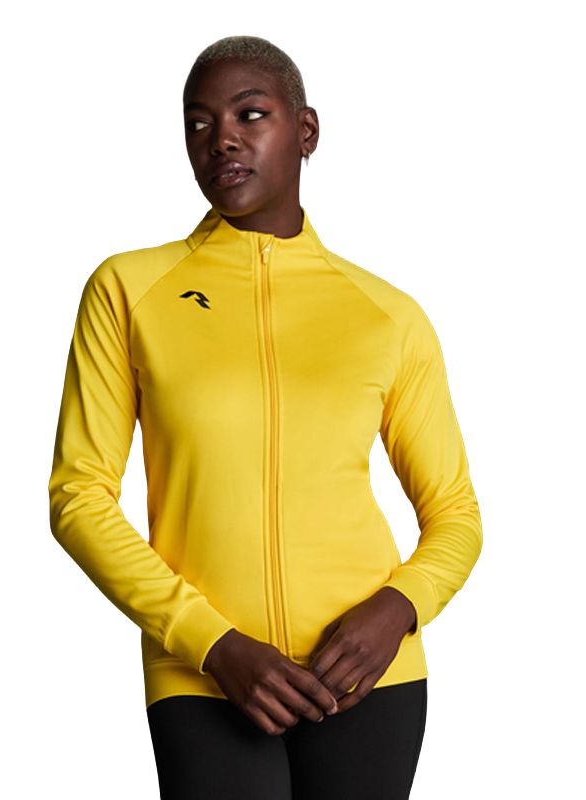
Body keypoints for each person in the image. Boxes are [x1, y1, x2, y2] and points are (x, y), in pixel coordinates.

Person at [48, 35, 483, 799]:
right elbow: (78, 497)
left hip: (368, 675)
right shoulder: (129, 289)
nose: (222, 138)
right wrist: (210, 642)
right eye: (199, 123)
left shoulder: (387, 314)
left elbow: (456, 515)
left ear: (306, 131)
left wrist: (398, 609)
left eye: (250, 114)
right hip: (205, 674)